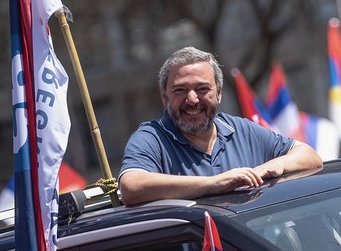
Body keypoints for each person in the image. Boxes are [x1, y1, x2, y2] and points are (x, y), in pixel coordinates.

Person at [118, 46, 323, 206]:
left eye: (202, 89)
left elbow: (309, 156)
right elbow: (131, 187)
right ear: (164, 98)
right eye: (180, 90)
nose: (192, 99)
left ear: (219, 93)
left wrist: (269, 168)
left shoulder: (241, 129)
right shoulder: (150, 138)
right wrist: (214, 184)